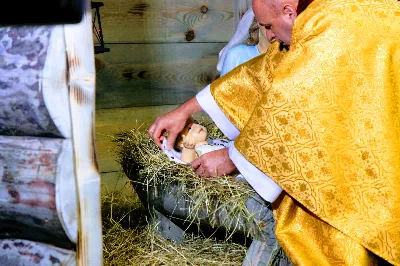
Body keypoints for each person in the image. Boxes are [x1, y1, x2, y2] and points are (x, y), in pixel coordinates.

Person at [149, 0, 400, 265]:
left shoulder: (332, 24)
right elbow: (262, 74)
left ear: (289, 12)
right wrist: (185, 110)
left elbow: (296, 109)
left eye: (269, 26)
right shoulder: (315, 17)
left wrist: (232, 158)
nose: (268, 35)